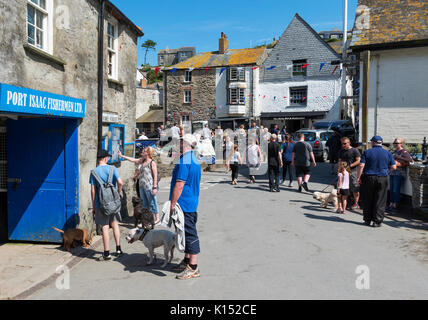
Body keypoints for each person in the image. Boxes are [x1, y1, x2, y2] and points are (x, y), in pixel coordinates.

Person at [170, 134, 202, 279]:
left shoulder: (184, 161)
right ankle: (187, 260)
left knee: (189, 234)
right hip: (191, 201)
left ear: (186, 144)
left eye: (181, 142)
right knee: (184, 232)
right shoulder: (194, 160)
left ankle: (193, 267)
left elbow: (180, 184)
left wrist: (172, 203)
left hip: (184, 203)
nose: (179, 144)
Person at [90, 150, 124, 261]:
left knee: (104, 227)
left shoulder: (93, 172)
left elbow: (93, 191)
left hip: (100, 203)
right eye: (108, 157)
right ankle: (118, 249)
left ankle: (106, 253)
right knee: (115, 224)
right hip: (113, 202)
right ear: (105, 158)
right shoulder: (112, 169)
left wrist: (94, 206)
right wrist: (118, 194)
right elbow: (120, 182)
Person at [357, 136, 396, 227]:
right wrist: (387, 172)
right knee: (380, 200)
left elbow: (361, 165)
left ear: (373, 142)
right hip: (382, 177)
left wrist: (358, 178)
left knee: (368, 199)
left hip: (369, 177)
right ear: (381, 143)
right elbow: (394, 167)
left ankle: (367, 220)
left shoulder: (367, 152)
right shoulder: (388, 153)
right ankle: (377, 221)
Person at [118, 147, 160, 225]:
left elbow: (155, 176)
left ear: (147, 153)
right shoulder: (142, 161)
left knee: (152, 202)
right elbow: (132, 160)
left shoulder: (152, 163)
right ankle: (146, 218)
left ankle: (157, 218)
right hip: (142, 186)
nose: (141, 152)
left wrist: (154, 187)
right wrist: (122, 156)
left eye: (143, 151)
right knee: (144, 204)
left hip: (149, 186)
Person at [387, 138, 413, 213]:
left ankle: (395, 205)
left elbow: (410, 160)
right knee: (392, 189)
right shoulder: (394, 151)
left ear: (401, 144)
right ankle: (391, 204)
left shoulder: (403, 151)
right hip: (392, 172)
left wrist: (398, 157)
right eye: (394, 143)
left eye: (397, 143)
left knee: (396, 190)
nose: (395, 144)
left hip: (399, 173)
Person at [338, 137, 361, 209]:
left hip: (353, 171)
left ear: (349, 143)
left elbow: (358, 160)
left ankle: (356, 203)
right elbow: (339, 161)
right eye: (342, 144)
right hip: (343, 172)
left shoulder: (354, 150)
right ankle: (346, 202)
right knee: (344, 186)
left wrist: (350, 166)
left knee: (354, 187)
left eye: (345, 143)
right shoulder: (341, 151)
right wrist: (338, 170)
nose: (343, 145)